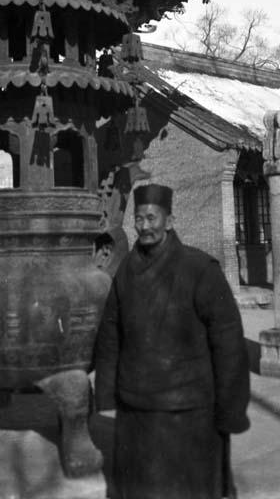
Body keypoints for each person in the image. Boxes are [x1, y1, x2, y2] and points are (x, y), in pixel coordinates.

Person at [94, 183, 250, 499]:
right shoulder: (125, 271)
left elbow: (229, 342)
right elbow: (111, 333)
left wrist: (231, 407)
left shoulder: (200, 269)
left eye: (152, 218)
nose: (144, 227)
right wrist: (107, 394)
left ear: (170, 220)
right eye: (139, 219)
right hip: (136, 406)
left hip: (189, 409)